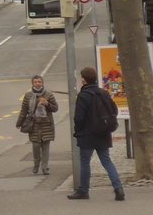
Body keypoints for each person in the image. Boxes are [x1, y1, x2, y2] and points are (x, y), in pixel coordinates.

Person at [67, 66, 125, 201]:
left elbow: (79, 117)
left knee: (85, 162)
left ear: (84, 80)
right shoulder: (103, 93)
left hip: (87, 134)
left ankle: (83, 190)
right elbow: (114, 110)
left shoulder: (84, 95)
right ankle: (118, 189)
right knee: (106, 160)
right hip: (103, 133)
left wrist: (78, 130)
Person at [17, 75, 57, 175]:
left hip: (46, 124)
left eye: (39, 82)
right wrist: (19, 123)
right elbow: (24, 111)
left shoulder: (48, 95)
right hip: (33, 124)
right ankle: (36, 165)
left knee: (46, 147)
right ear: (32, 84)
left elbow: (55, 108)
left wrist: (47, 104)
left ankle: (45, 167)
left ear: (42, 83)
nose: (37, 84)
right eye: (35, 82)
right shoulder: (28, 96)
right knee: (36, 146)